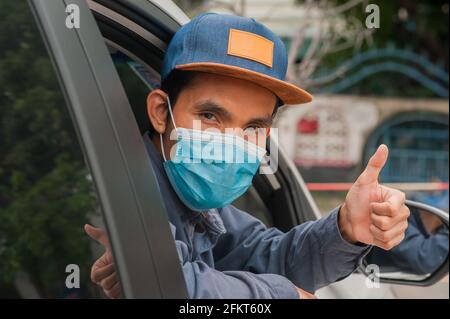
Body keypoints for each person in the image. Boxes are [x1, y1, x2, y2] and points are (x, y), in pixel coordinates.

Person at [84, 13, 410, 299]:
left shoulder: (205, 208)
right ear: (160, 111)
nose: (230, 141)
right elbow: (165, 281)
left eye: (253, 126)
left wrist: (345, 228)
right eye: (210, 116)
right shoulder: (114, 184)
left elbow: (268, 257)